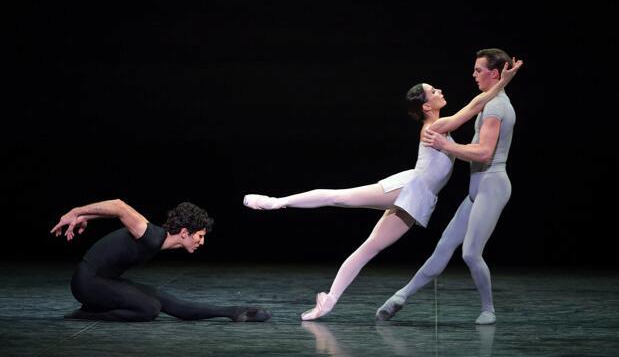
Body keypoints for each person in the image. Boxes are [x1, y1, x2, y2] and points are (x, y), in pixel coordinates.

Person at [243, 57, 522, 321]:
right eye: (433, 91)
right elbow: (473, 107)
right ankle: (275, 202)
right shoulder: (435, 125)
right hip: (409, 187)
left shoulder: (439, 126)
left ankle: (328, 301)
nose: (439, 90)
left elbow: (474, 110)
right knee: (339, 197)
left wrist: (501, 85)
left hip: (421, 199)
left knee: (369, 248)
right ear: (426, 106)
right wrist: (504, 82)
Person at [377, 48, 520, 325]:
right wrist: (505, 81)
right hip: (478, 186)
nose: (474, 74)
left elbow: (484, 153)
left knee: (470, 252)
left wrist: (446, 145)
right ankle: (400, 297)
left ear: (494, 72)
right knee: (444, 246)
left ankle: (488, 309)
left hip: (492, 183)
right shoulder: (490, 101)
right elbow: (473, 106)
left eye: (479, 70)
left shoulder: (497, 107)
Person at [51, 199, 271, 322]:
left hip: (103, 281)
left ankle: (234, 312)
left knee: (165, 300)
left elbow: (116, 214)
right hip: (87, 284)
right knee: (150, 308)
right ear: (184, 232)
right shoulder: (150, 234)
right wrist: (76, 211)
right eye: (200, 236)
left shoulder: (154, 236)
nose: (202, 242)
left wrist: (84, 217)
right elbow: (118, 206)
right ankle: (86, 314)